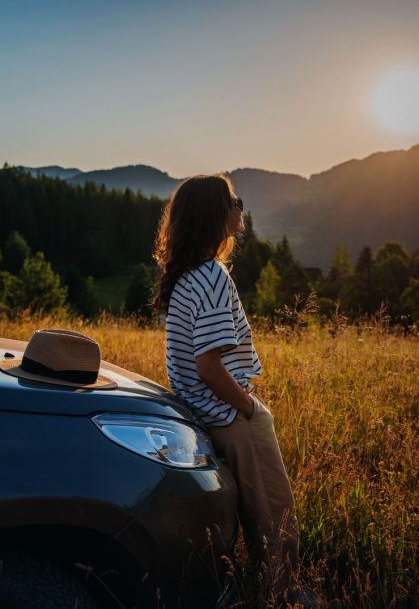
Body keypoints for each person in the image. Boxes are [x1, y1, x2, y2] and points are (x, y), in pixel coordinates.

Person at [151, 173, 305, 603]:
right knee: (274, 512)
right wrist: (250, 408)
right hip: (227, 413)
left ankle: (260, 586)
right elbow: (208, 365)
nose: (241, 207)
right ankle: (284, 594)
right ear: (216, 214)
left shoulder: (185, 275)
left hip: (198, 410)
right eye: (234, 200)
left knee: (251, 510)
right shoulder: (213, 276)